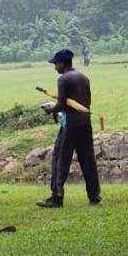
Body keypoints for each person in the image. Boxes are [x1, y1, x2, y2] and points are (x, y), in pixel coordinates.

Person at [37, 48, 101, 208]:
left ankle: (57, 197)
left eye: (56, 64)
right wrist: (59, 108)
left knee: (60, 159)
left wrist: (50, 110)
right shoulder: (83, 77)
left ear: (62, 64)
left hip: (70, 125)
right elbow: (86, 102)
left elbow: (60, 104)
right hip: (85, 123)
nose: (54, 67)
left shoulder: (63, 79)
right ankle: (94, 196)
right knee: (88, 160)